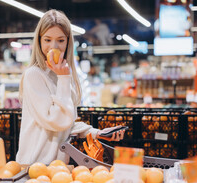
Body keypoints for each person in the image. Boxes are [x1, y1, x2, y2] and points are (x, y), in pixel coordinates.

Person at [16, 9, 125, 165]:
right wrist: (63, 77)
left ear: (68, 42)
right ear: (39, 41)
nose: (54, 46)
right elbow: (56, 121)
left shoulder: (64, 74)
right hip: (35, 166)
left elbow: (68, 122)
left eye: (60, 40)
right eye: (47, 40)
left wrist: (97, 132)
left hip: (57, 166)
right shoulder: (34, 75)